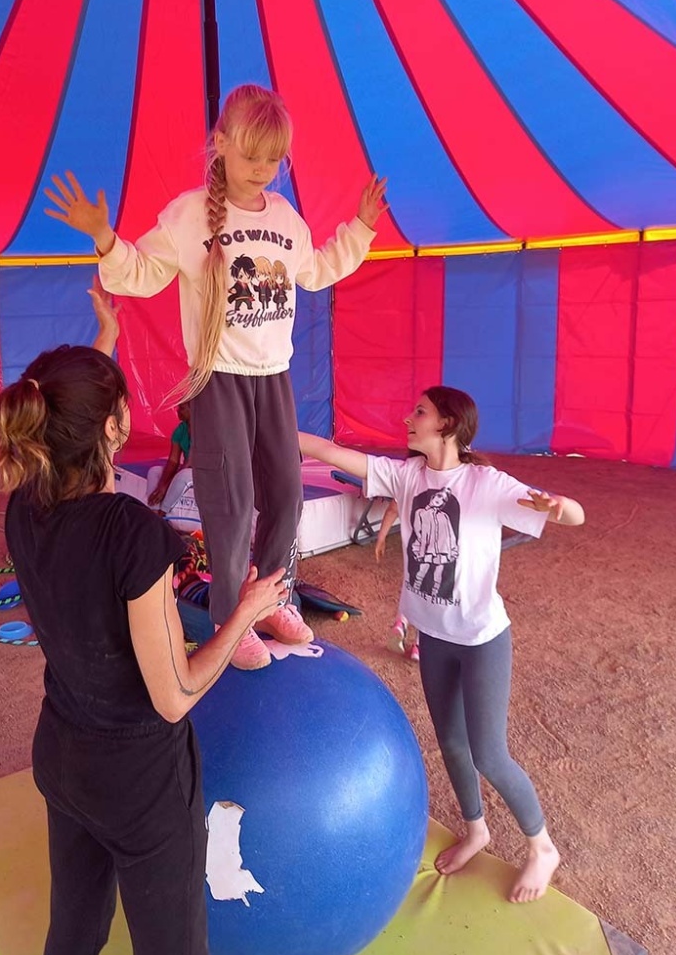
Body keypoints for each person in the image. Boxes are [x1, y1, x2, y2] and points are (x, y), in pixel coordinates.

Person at [44, 83, 387, 669]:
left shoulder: (285, 217)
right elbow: (142, 274)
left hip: (272, 378)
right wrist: (104, 237)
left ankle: (270, 595)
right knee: (229, 502)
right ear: (220, 143)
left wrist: (359, 228)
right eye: (251, 154)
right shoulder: (187, 215)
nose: (263, 169)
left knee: (283, 491)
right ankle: (233, 617)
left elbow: (319, 270)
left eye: (273, 158)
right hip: (219, 378)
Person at [0, 344, 287, 955]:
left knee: (73, 929)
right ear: (114, 425)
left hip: (62, 756)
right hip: (138, 783)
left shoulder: (25, 505)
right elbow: (174, 696)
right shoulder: (130, 532)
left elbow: (71, 404)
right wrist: (245, 613)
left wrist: (103, 334)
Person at [299, 386, 585, 904]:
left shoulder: (485, 483)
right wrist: (287, 435)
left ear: (448, 424)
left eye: (420, 412)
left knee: (490, 753)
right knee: (451, 743)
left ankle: (542, 846)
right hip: (433, 637)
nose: (408, 418)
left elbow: (574, 517)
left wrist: (560, 506)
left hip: (481, 640)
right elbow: (342, 456)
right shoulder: (407, 476)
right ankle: (476, 830)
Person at [375, 499, 419, 663]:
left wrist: (381, 538)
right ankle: (419, 645)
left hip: (412, 551)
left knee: (410, 587)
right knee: (429, 597)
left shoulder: (409, 480)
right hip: (436, 557)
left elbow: (392, 510)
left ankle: (401, 623)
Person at [148, 401, 191, 513]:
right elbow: (173, 461)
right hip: (187, 470)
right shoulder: (181, 429)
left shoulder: (203, 431)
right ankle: (153, 511)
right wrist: (161, 485)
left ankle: (162, 514)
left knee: (183, 476)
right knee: (154, 471)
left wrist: (165, 487)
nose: (177, 411)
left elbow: (189, 463)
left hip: (202, 472)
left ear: (193, 410)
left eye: (181, 408)